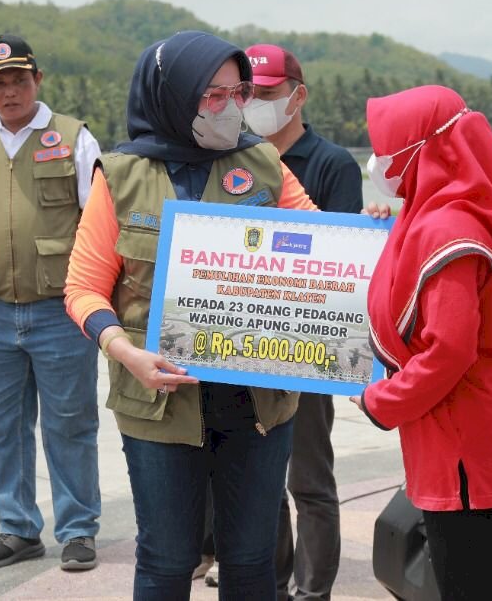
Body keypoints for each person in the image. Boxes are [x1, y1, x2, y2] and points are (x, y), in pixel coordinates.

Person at [64, 30, 318, 600]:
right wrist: (125, 352)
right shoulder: (121, 175)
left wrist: (373, 223)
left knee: (252, 560)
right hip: (158, 400)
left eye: (237, 93)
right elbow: (82, 289)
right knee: (164, 558)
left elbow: (322, 247)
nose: (229, 107)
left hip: (257, 400)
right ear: (171, 96)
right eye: (211, 95)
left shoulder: (264, 164)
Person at [354, 85, 492, 601]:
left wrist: (381, 400)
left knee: (472, 585)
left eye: (388, 146)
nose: (378, 160)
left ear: (423, 148)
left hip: (466, 454)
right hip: (461, 441)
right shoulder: (435, 215)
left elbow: (450, 351)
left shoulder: (448, 229)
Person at [0, 35, 103, 571]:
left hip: (60, 310)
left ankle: (77, 530)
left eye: (19, 80)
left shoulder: (74, 138)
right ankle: (17, 528)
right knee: (0, 425)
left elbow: (100, 223)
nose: (9, 91)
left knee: (70, 423)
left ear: (38, 81)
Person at [244, 43, 362, 601]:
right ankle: (273, 583)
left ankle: (314, 591)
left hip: (309, 345)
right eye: (248, 95)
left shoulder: (331, 163)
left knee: (309, 478)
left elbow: (340, 259)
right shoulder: (235, 159)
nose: (255, 105)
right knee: (263, 482)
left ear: (297, 95)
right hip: (245, 339)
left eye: (267, 95)